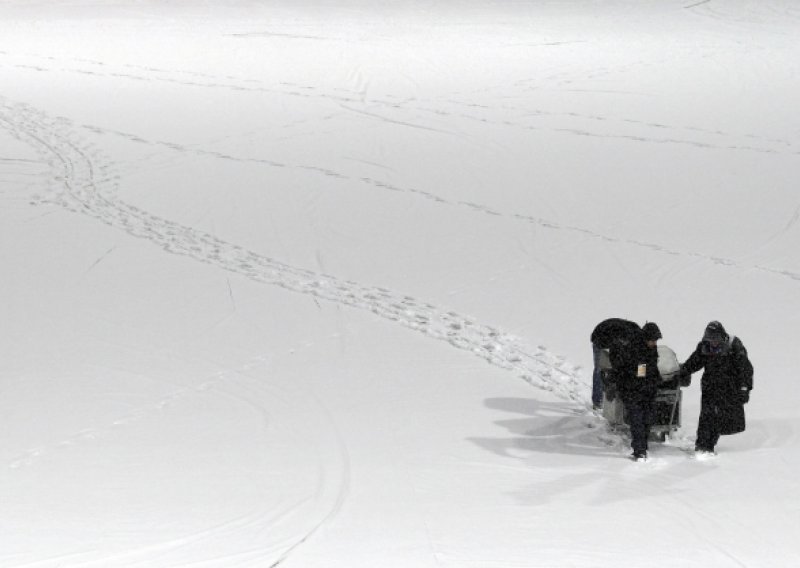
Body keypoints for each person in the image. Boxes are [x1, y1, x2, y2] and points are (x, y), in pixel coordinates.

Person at [679, 321, 753, 455]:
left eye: (715, 340)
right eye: (710, 340)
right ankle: (702, 445)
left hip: (729, 388)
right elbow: (694, 362)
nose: (713, 343)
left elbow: (745, 369)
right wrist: (683, 372)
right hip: (709, 387)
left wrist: (744, 388)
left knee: (721, 417)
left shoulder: (734, 346)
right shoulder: (704, 347)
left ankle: (710, 444)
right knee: (706, 416)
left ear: (721, 336)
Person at [611, 322, 663, 460]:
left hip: (647, 389)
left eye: (656, 341)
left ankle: (643, 446)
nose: (654, 343)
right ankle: (639, 450)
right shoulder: (633, 349)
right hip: (632, 389)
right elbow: (629, 370)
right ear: (646, 338)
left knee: (648, 419)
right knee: (637, 420)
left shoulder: (651, 348)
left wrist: (656, 379)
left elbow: (651, 367)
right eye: (652, 340)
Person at [590, 318, 642, 409]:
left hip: (610, 335)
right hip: (599, 338)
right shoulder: (629, 336)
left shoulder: (635, 334)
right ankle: (597, 401)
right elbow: (618, 356)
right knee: (599, 369)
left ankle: (606, 397)